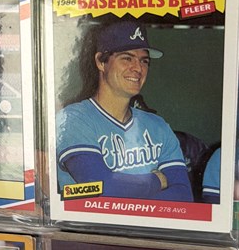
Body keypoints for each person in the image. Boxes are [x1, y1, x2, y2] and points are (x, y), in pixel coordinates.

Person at [56, 19, 192, 200]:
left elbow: (183, 195)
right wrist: (157, 181)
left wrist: (126, 190)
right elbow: (100, 187)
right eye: (127, 58)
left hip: (143, 220)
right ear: (101, 62)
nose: (138, 68)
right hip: (89, 220)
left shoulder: (158, 126)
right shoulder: (73, 120)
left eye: (144, 60)